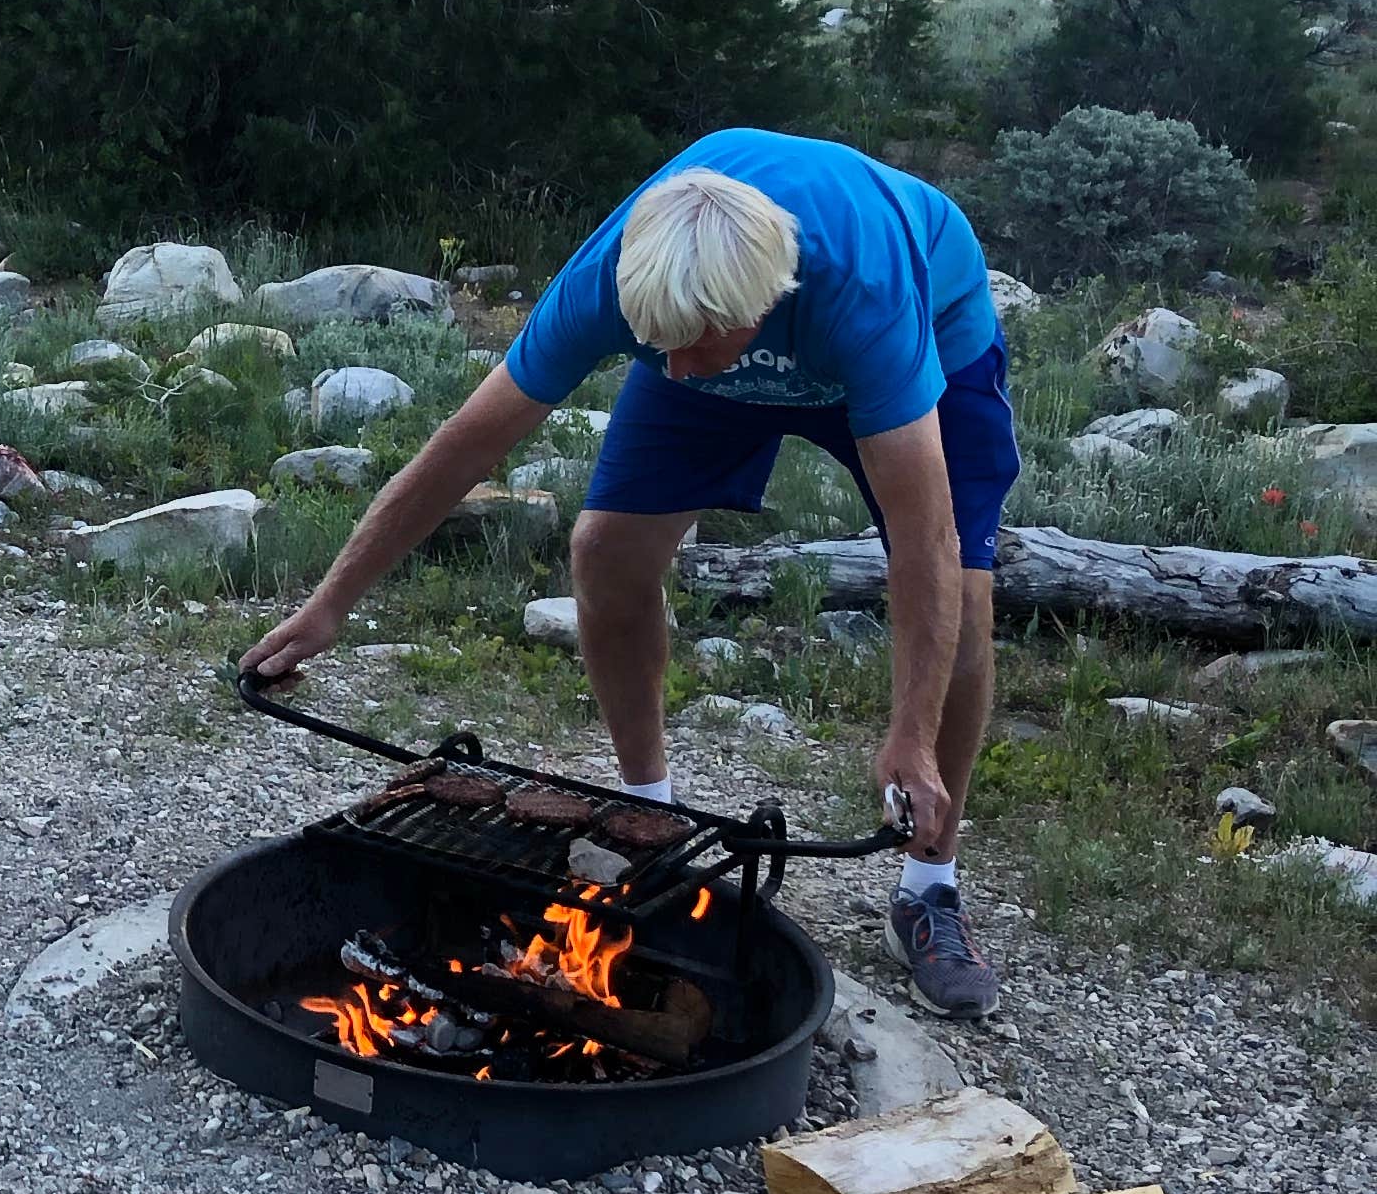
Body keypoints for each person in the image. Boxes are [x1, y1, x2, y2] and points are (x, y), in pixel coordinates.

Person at [239, 129, 1019, 1018]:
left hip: (931, 335)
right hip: (731, 329)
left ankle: (928, 888)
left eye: (691, 345)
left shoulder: (864, 298)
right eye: (656, 344)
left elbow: (925, 543)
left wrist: (910, 733)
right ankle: (650, 822)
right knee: (606, 549)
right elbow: (467, 445)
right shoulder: (623, 285)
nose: (673, 369)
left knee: (966, 599)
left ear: (766, 304)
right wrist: (330, 604)